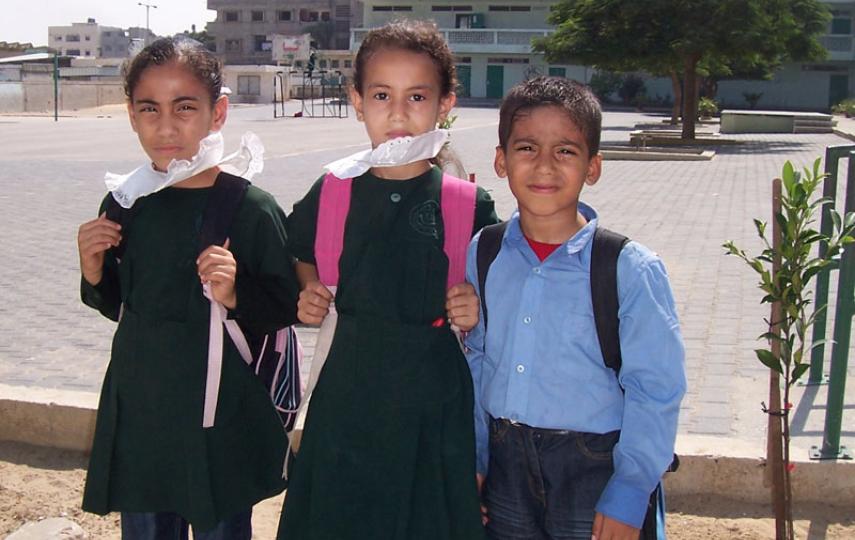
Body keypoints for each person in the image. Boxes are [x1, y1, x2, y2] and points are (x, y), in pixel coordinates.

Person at [277, 20, 499, 540]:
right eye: (381, 95)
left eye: (417, 96)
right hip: (348, 392)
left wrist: (475, 306)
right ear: (357, 100)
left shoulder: (468, 204)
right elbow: (296, 250)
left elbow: (495, 293)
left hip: (433, 398)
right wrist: (308, 288)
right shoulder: (333, 190)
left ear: (445, 103)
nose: (398, 113)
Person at [76, 37, 299, 539]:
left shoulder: (249, 207)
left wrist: (237, 292)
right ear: (131, 115)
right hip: (143, 406)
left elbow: (286, 307)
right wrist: (93, 268)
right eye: (149, 108)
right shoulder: (124, 201)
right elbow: (120, 303)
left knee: (221, 524)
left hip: (218, 414)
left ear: (217, 113)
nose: (166, 125)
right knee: (147, 525)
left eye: (185, 107)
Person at [464, 76, 687, 540]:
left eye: (565, 150)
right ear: (501, 161)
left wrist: (630, 491)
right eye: (527, 148)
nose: (545, 165)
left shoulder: (628, 267)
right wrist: (477, 459)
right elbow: (477, 360)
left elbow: (655, 390)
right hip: (506, 463)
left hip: (594, 468)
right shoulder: (484, 252)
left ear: (593, 167)